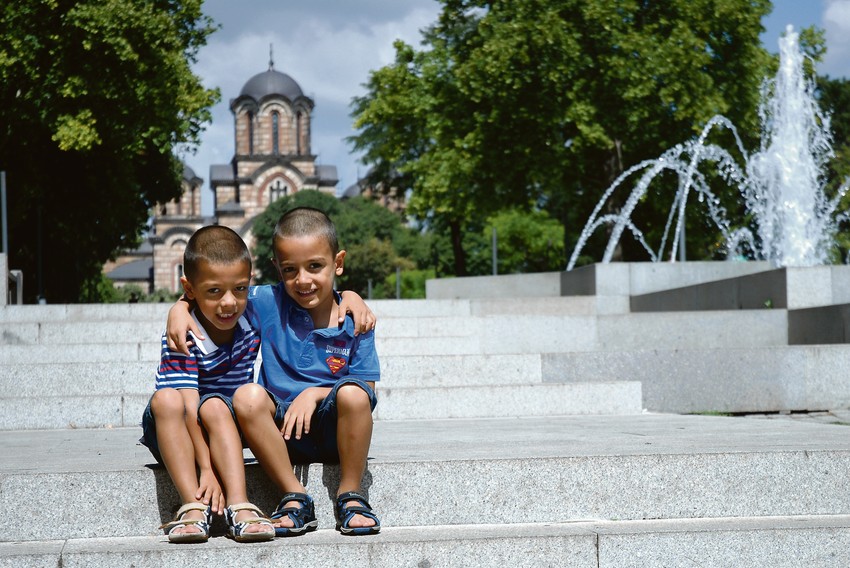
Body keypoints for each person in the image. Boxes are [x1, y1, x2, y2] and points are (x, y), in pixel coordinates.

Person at [167, 207, 381, 536]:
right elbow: (219, 290)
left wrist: (314, 394)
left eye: (315, 266)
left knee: (353, 394)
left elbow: (368, 391)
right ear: (276, 268)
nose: (303, 280)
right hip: (279, 433)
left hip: (336, 431)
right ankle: (294, 495)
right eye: (290, 270)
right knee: (247, 396)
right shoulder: (268, 301)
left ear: (337, 263)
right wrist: (181, 307)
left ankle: (351, 494)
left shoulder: (357, 319)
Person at [141, 224, 274, 543]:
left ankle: (239, 505)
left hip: (222, 425)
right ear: (189, 288)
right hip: (177, 431)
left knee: (215, 405)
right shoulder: (182, 334)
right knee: (166, 400)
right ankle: (193, 505)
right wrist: (207, 469)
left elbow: (300, 294)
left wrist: (350, 297)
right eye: (214, 291)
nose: (229, 302)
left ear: (249, 281)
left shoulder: (252, 314)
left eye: (239, 289)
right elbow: (188, 409)